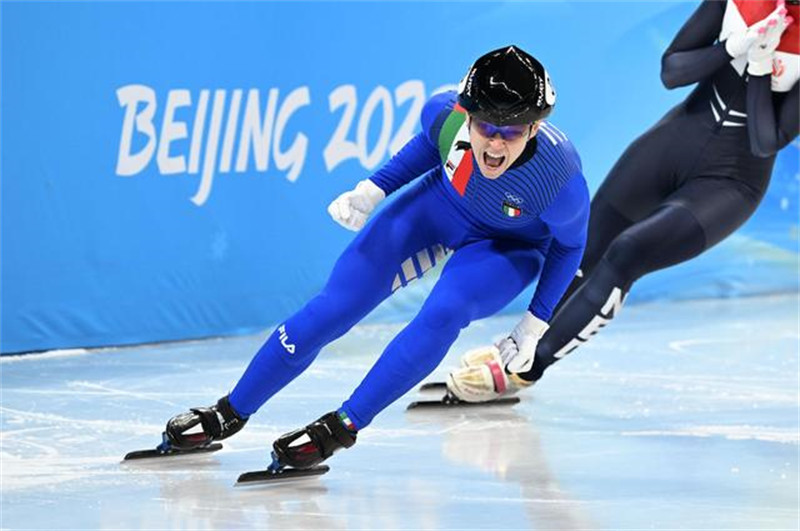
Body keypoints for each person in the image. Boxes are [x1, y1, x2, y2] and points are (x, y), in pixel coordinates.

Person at [160, 45, 590, 469]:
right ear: (466, 115)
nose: (495, 144)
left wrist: (535, 324)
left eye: (512, 131)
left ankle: (342, 426)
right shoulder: (444, 114)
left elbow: (570, 245)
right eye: (485, 127)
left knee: (444, 312)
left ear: (534, 129)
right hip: (441, 207)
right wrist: (373, 189)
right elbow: (429, 145)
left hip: (509, 247)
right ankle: (229, 412)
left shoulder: (557, 180)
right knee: (335, 305)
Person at [447, 0, 799, 403]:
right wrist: (732, 48)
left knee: (629, 252)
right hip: (674, 142)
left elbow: (766, 140)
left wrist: (758, 67)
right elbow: (672, 71)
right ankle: (517, 345)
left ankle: (528, 367)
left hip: (732, 181)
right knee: (586, 244)